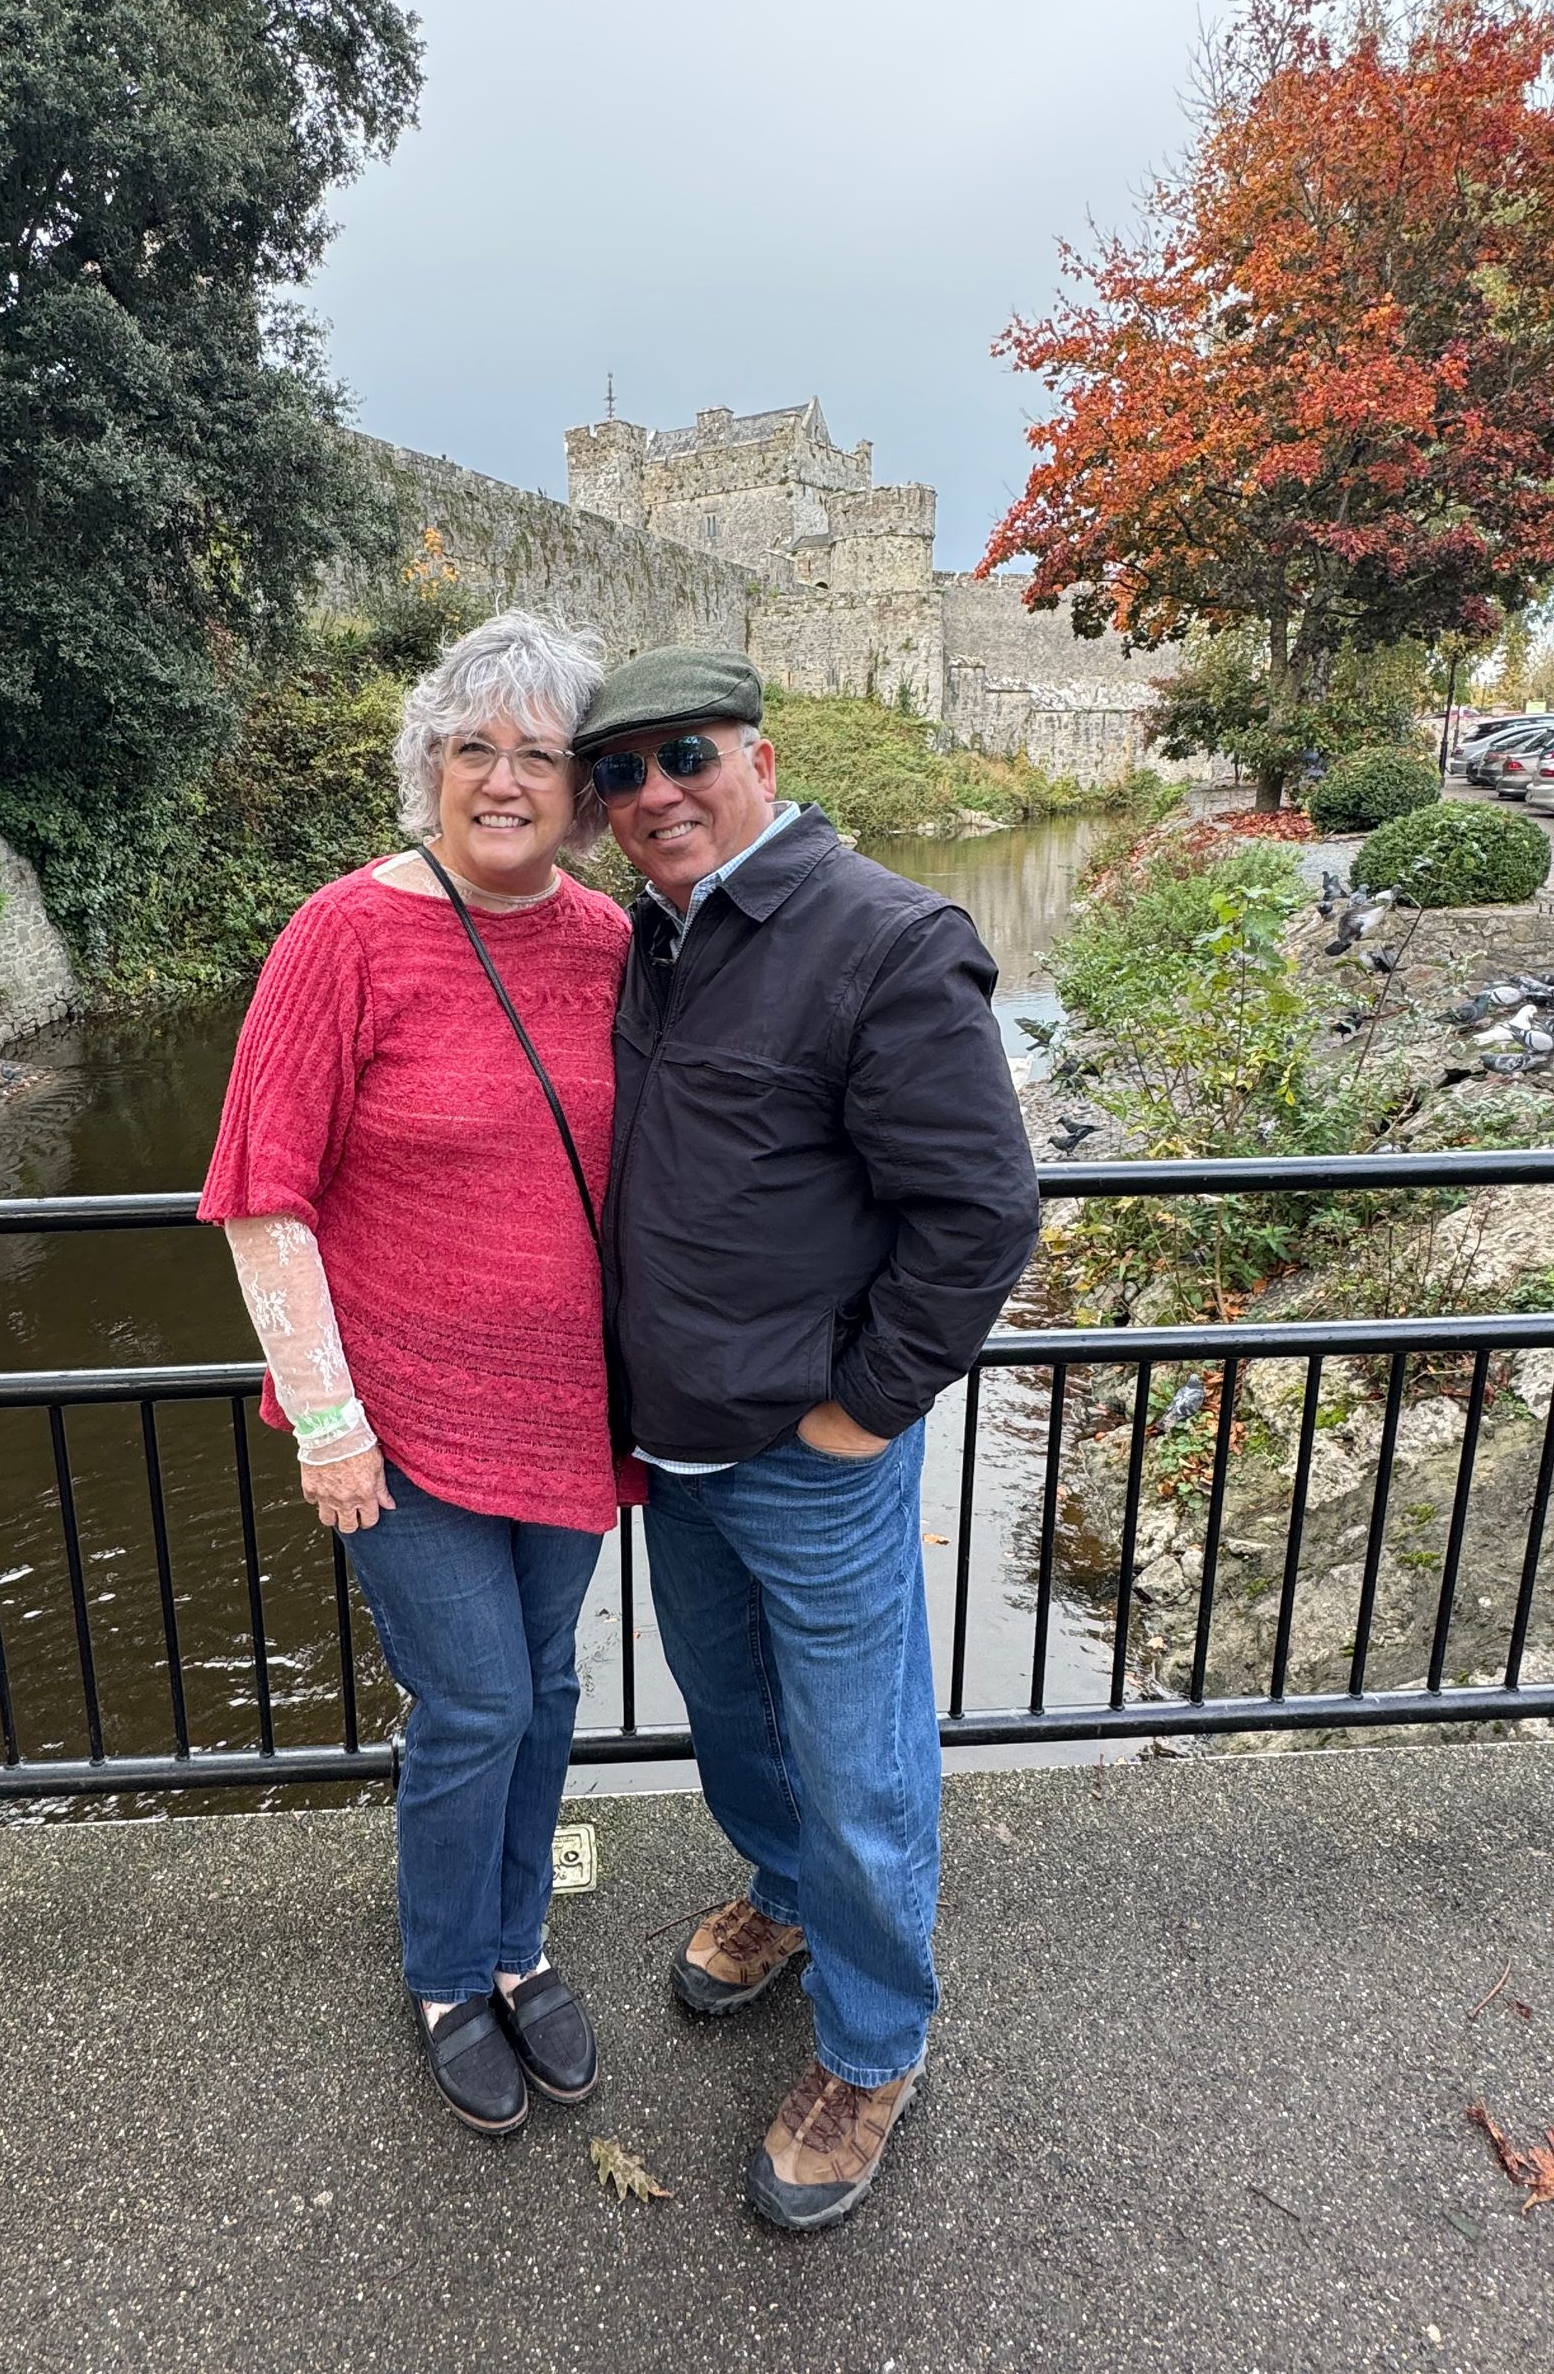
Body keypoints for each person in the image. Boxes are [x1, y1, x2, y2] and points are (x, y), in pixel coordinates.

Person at [575, 646, 1039, 2231]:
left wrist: (864, 1408)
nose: (649, 795)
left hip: (808, 1452)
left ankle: (872, 2046)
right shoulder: (660, 938)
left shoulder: (883, 935)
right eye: (616, 776)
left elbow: (977, 1215)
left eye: (679, 755)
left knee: (858, 1763)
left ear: (758, 756)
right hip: (679, 1446)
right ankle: (783, 1899)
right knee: (732, 1719)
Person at [201, 612, 639, 2138]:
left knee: (551, 1689)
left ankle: (522, 1945)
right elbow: (264, 1192)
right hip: (401, 1417)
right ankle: (452, 1974)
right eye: (474, 749)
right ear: (429, 768)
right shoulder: (345, 931)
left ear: (583, 792)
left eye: (537, 755)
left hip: (572, 1410)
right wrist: (324, 1418)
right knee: (473, 1706)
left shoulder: (613, 942)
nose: (503, 781)